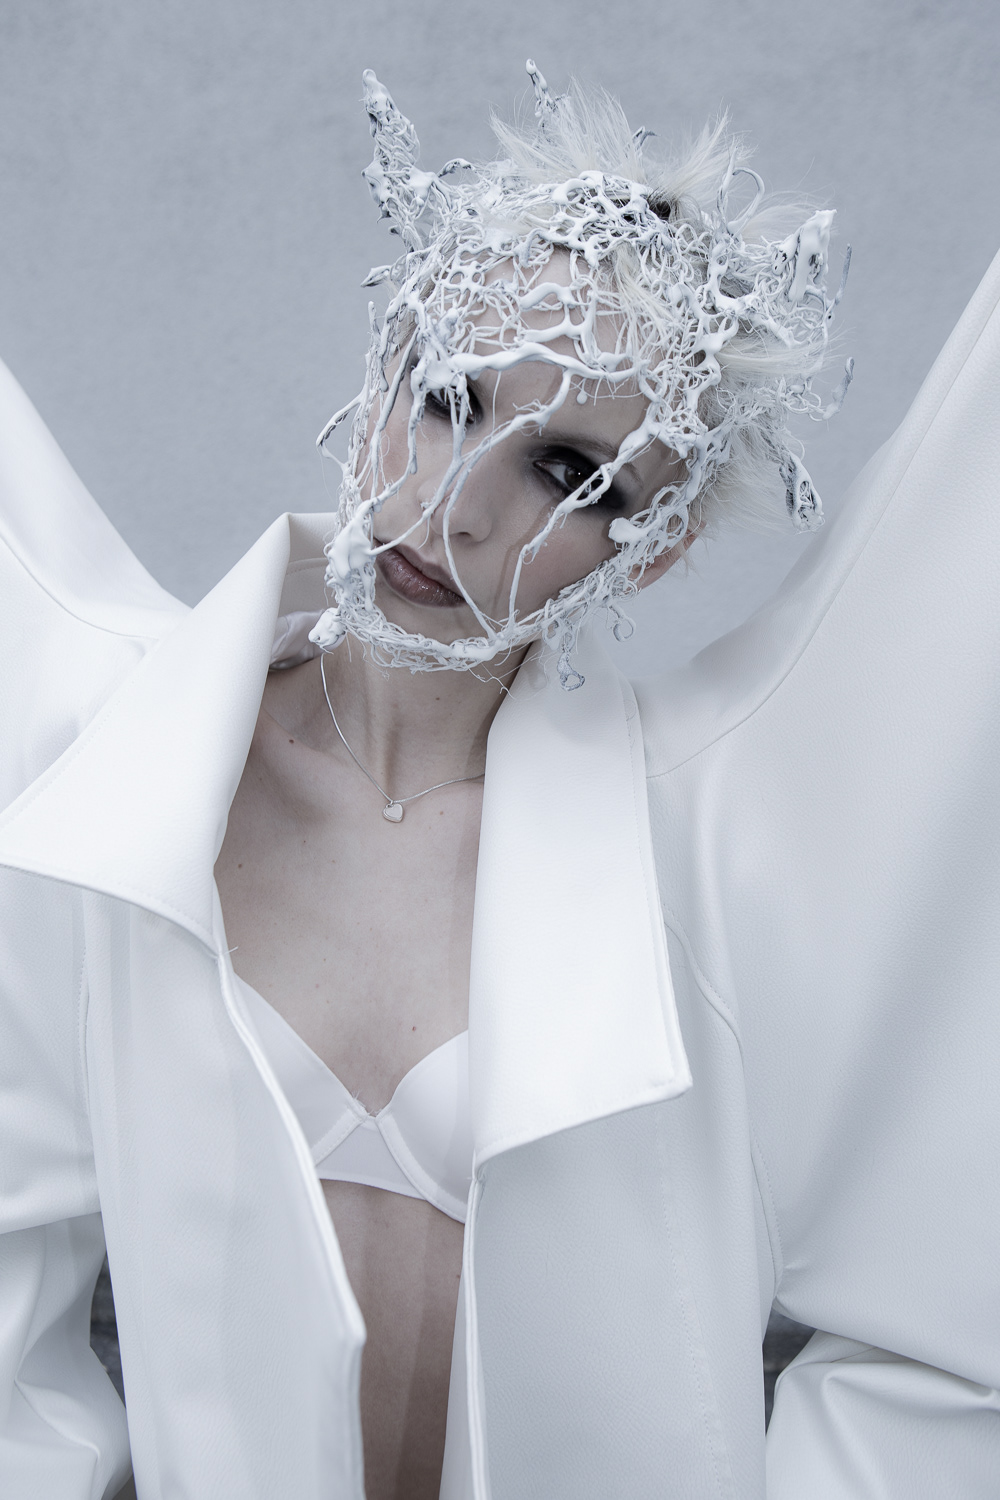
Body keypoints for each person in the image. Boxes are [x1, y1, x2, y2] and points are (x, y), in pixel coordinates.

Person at [0, 62, 998, 1500]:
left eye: (572, 474)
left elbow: (937, 1327)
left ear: (650, 547)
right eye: (450, 397)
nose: (458, 506)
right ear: (381, 375)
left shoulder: (692, 867)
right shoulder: (127, 785)